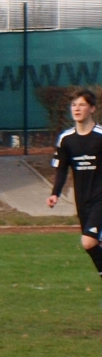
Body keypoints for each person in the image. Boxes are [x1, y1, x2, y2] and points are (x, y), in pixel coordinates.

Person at [48, 87, 102, 293]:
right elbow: (61, 169)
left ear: (92, 109)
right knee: (97, 246)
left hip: (100, 199)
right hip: (82, 201)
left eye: (82, 105)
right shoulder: (66, 139)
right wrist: (55, 193)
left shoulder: (100, 136)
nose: (77, 109)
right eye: (74, 105)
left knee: (88, 242)